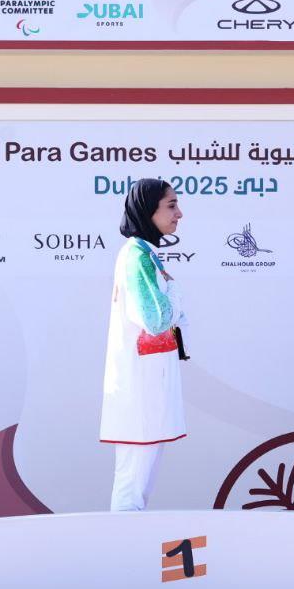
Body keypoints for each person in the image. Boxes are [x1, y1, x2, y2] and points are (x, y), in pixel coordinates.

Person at [100, 178, 187, 511]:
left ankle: (126, 540)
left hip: (148, 386)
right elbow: (156, 319)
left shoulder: (144, 254)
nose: (179, 213)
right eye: (171, 205)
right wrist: (175, 294)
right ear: (148, 210)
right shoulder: (137, 256)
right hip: (140, 388)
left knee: (138, 483)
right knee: (132, 486)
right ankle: (121, 541)